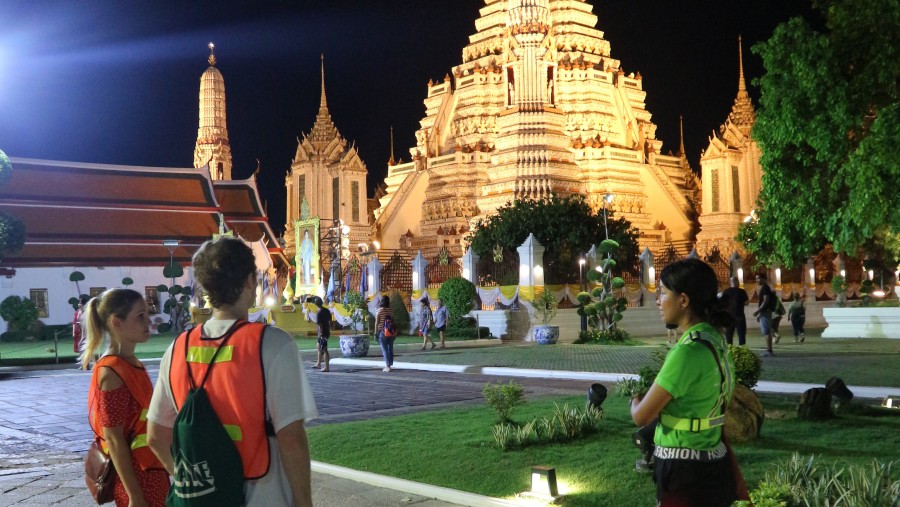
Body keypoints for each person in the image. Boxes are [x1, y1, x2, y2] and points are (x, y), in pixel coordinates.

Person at [147, 236, 317, 506]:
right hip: (263, 495)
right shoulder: (273, 345)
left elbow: (155, 435)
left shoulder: (177, 349)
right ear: (250, 281)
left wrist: (192, 479)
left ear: (204, 288)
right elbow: (291, 438)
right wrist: (304, 502)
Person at [631, 258, 739, 506]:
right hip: (714, 460)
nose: (658, 301)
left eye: (663, 293)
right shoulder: (715, 340)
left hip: (683, 469)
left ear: (683, 300)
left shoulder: (687, 352)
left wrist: (634, 400)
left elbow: (641, 416)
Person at [81, 289, 168, 507]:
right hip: (138, 478)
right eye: (140, 316)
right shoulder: (112, 372)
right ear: (116, 322)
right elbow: (114, 439)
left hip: (150, 469)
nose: (148, 321)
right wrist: (135, 496)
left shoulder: (130, 363)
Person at [719, 276, 749, 346]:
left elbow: (722, 304)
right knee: (741, 335)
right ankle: (742, 350)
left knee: (729, 336)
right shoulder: (742, 291)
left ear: (730, 283)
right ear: (737, 282)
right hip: (740, 316)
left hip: (729, 317)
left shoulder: (726, 292)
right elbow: (747, 303)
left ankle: (730, 350)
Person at [752, 273, 775, 356]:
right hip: (764, 312)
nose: (757, 280)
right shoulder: (765, 288)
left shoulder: (765, 288)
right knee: (766, 331)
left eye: (758, 278)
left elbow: (765, 301)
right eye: (756, 278)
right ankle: (769, 350)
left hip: (765, 312)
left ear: (764, 279)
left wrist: (758, 311)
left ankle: (769, 351)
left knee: (766, 331)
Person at [374, 295, 395, 372]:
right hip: (390, 332)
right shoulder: (391, 311)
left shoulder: (379, 311)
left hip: (382, 332)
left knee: (384, 349)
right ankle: (390, 364)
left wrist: (375, 333)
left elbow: (377, 323)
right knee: (390, 348)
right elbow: (393, 322)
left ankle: (387, 366)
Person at [314, 297, 332, 371]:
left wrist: (321, 334)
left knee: (324, 349)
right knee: (318, 347)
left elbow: (320, 325)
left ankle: (326, 367)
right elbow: (330, 321)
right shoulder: (327, 310)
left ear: (316, 304)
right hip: (326, 331)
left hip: (322, 333)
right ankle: (318, 363)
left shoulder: (319, 313)